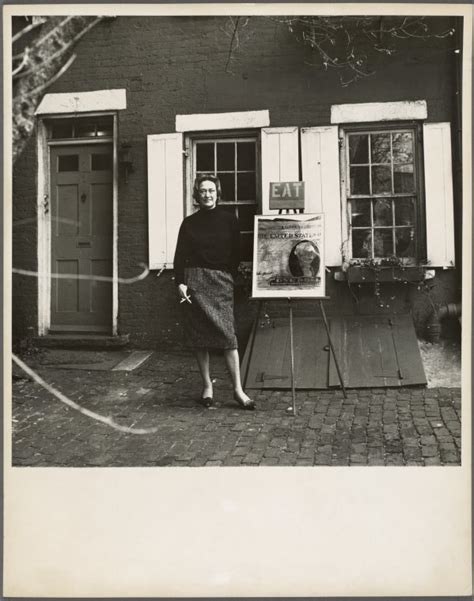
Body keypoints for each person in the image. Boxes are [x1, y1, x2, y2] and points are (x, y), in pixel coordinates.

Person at [173, 174, 256, 410]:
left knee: (228, 338)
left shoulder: (230, 221)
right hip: (195, 282)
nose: (207, 194)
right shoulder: (188, 223)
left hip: (221, 282)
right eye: (202, 191)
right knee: (200, 339)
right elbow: (180, 256)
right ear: (196, 195)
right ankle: (207, 386)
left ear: (218, 193)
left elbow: (236, 253)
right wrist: (180, 282)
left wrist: (226, 276)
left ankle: (238, 390)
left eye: (211, 190)